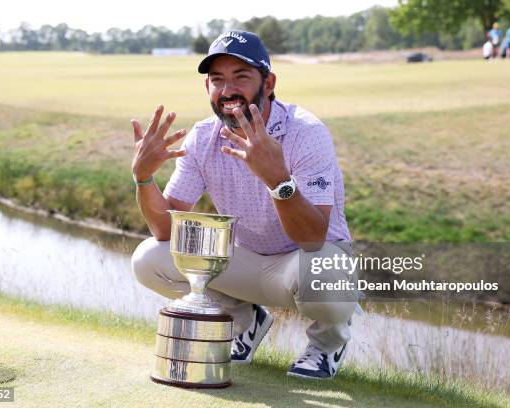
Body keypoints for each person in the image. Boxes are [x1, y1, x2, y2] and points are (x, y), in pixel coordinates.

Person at [130, 30, 359, 380]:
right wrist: (144, 179)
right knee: (151, 258)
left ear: (268, 83)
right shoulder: (203, 136)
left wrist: (277, 181)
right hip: (246, 260)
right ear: (207, 88)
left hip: (304, 260)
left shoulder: (306, 132)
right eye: (217, 79)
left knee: (323, 267)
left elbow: (313, 237)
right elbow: (166, 229)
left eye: (241, 76)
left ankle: (327, 344)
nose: (227, 91)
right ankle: (244, 322)